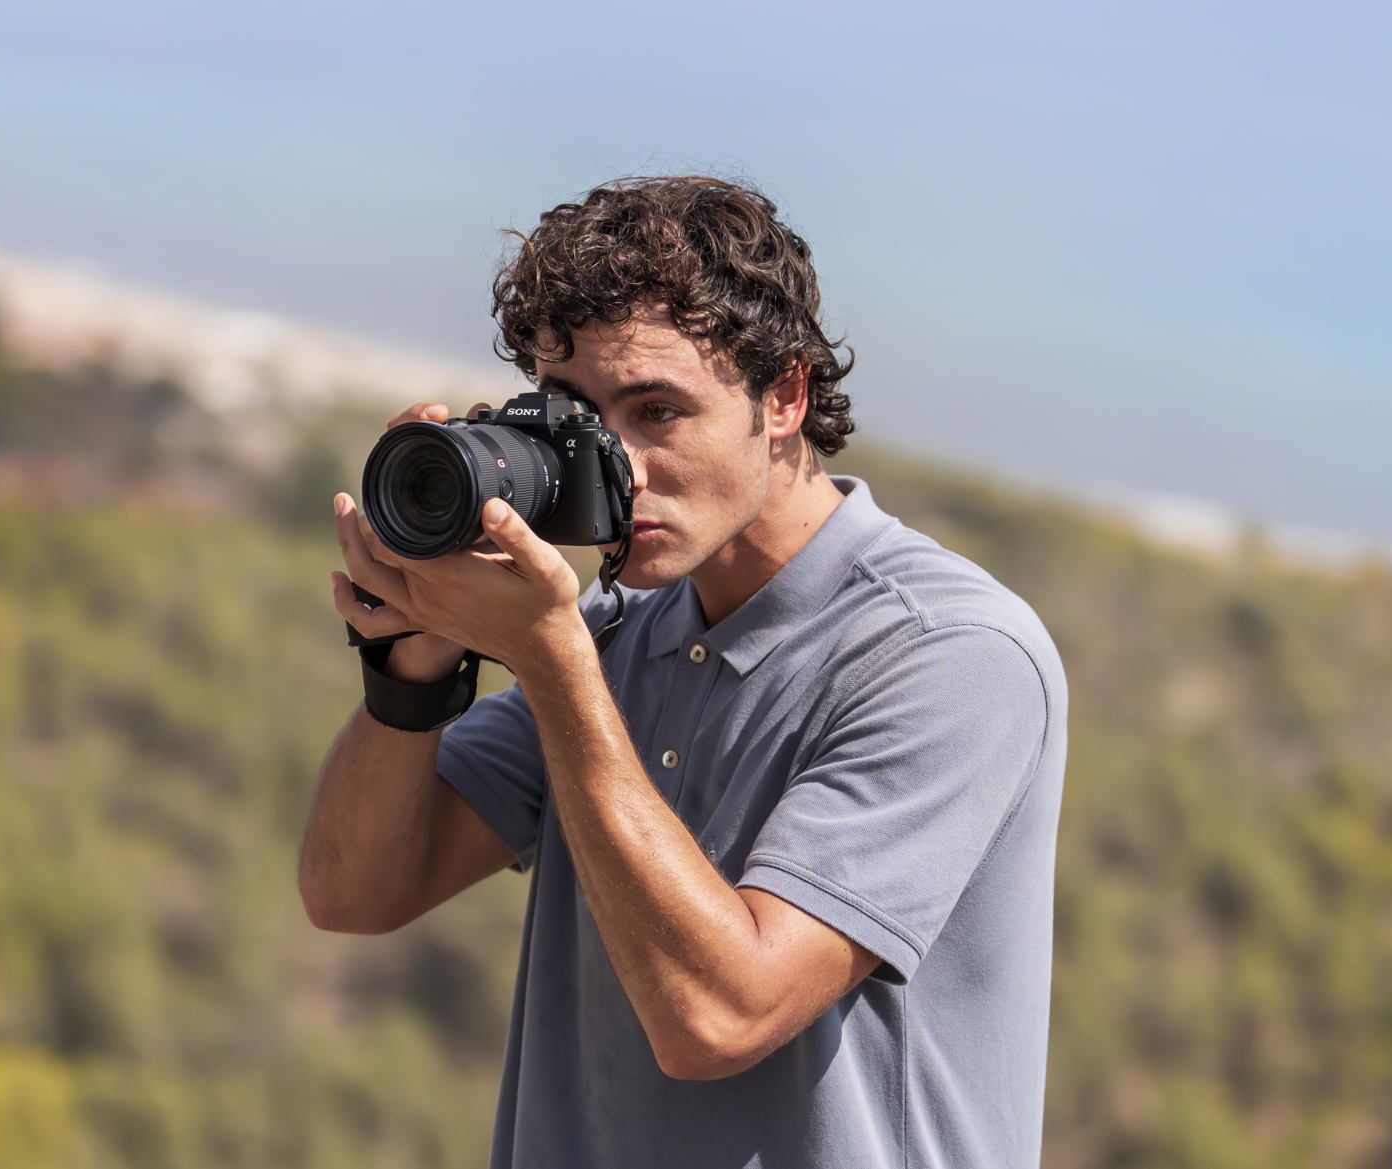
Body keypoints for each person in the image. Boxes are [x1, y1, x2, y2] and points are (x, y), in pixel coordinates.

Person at [297, 175, 1067, 1169]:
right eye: (576, 414)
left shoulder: (948, 652)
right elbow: (353, 892)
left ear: (783, 397)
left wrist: (551, 661)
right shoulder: (613, 631)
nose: (620, 466)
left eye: (657, 410)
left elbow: (718, 1017)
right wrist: (416, 662)